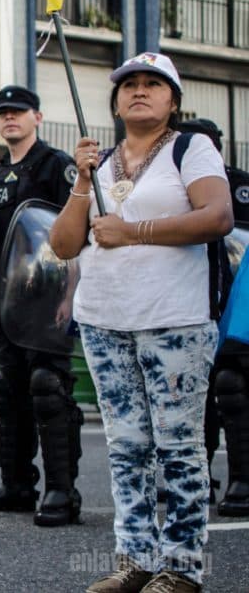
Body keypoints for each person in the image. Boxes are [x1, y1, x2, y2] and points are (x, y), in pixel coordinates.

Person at [50, 52, 233, 592]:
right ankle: (135, 559)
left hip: (172, 320)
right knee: (127, 446)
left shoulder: (189, 148)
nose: (140, 91)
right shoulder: (100, 163)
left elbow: (216, 217)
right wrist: (81, 180)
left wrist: (133, 232)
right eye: (130, 84)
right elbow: (64, 245)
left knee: (178, 447)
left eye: (155, 84)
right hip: (106, 321)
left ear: (173, 101)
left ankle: (181, 568)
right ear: (115, 99)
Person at [0, 85, 84, 527]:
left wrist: (70, 297)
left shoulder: (57, 167)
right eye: (2, 113)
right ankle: (16, 485)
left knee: (49, 387)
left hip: (48, 297)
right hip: (7, 301)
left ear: (37, 116)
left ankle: (61, 490)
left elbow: (76, 233)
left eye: (17, 112)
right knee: (7, 387)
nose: (9, 118)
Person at [177, 118, 249, 518]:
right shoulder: (173, 183)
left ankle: (242, 479)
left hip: (238, 304)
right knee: (193, 395)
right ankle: (195, 479)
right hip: (191, 299)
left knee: (231, 385)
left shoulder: (240, 184)